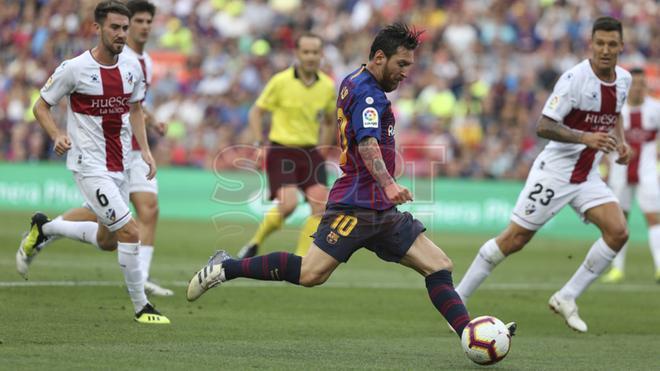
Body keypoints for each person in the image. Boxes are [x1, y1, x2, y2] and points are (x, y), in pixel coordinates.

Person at [186, 23, 515, 343]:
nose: (405, 72)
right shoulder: (368, 95)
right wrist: (387, 183)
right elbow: (367, 143)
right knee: (310, 274)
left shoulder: (351, 81)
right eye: (401, 64)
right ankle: (226, 267)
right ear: (379, 58)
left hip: (380, 208)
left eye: (409, 65)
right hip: (358, 203)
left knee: (439, 265)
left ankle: (470, 335)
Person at [455, 16, 632, 333]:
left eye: (612, 44)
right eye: (600, 43)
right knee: (514, 239)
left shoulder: (624, 80)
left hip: (587, 175)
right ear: (591, 44)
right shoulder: (574, 79)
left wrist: (621, 142)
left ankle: (567, 296)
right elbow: (544, 125)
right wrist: (584, 137)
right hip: (555, 172)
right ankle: (457, 299)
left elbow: (614, 112)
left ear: (621, 46)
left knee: (618, 232)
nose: (605, 50)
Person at [15, 0, 170, 324]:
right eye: (115, 27)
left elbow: (136, 109)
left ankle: (45, 228)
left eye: (124, 28)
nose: (121, 34)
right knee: (130, 230)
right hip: (88, 165)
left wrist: (146, 151)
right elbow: (41, 106)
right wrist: (57, 134)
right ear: (97, 28)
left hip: (122, 164)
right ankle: (142, 307)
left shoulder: (132, 69)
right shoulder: (74, 68)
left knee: (107, 241)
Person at [236, 32, 336, 259]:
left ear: (321, 55)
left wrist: (323, 149)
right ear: (297, 53)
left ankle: (301, 259)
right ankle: (255, 242)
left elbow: (330, 121)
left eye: (315, 52)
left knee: (320, 206)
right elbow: (256, 111)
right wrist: (259, 144)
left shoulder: (328, 86)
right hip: (282, 150)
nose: (310, 57)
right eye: (306, 52)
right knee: (289, 204)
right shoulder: (280, 81)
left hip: (310, 151)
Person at [601, 68, 660, 284]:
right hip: (620, 172)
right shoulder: (618, 111)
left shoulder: (655, 109)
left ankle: (659, 268)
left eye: (642, 84)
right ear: (628, 86)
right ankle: (617, 269)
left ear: (646, 86)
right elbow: (604, 140)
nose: (639, 88)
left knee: (654, 218)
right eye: (635, 83)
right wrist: (606, 162)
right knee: (619, 222)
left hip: (647, 174)